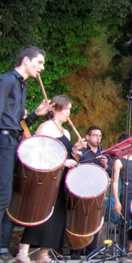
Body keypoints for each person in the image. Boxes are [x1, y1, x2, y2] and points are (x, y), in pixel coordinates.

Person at [15, 95, 84, 263]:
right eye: (66, 109)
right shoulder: (46, 127)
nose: (69, 112)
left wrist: (75, 151)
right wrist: (63, 162)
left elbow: (65, 154)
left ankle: (44, 253)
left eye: (69, 109)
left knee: (58, 216)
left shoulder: (65, 132)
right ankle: (23, 251)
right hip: (46, 178)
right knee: (40, 213)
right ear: (55, 109)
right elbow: (38, 152)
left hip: (61, 179)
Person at [0, 46, 51, 260]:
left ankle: (2, 247)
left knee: (7, 195)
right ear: (26, 60)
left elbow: (18, 123)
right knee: (2, 195)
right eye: (39, 62)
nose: (42, 67)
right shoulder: (7, 80)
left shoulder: (23, 86)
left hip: (12, 141)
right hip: (3, 140)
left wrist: (35, 115)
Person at [70, 126, 113, 259]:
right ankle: (76, 250)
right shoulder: (81, 151)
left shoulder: (104, 153)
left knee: (95, 219)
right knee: (80, 219)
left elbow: (110, 174)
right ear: (87, 137)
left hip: (97, 191)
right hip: (81, 189)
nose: (98, 138)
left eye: (100, 136)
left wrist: (106, 166)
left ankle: (91, 250)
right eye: (95, 135)